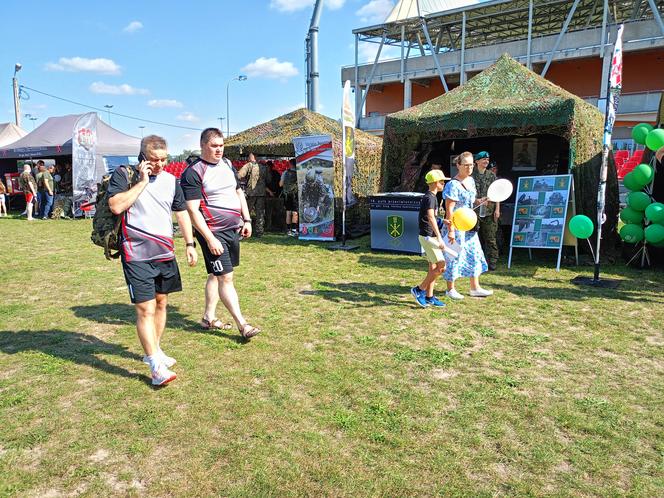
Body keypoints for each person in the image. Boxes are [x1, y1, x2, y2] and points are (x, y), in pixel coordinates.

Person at [107, 135, 198, 386]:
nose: (160, 164)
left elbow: (181, 213)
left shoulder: (171, 180)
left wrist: (189, 244)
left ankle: (155, 351)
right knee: (145, 309)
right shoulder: (124, 176)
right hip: (136, 254)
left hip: (164, 253)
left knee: (161, 304)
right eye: (154, 160)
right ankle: (155, 366)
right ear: (143, 157)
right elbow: (115, 206)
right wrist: (143, 182)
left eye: (164, 159)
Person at [180, 128, 260, 339]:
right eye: (214, 146)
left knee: (216, 275)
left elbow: (238, 192)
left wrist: (247, 219)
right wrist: (209, 238)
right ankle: (243, 325)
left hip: (232, 229)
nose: (218, 150)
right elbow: (192, 209)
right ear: (203, 146)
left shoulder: (227, 164)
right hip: (213, 232)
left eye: (221, 145)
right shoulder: (194, 172)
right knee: (226, 276)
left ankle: (208, 317)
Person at [442, 151, 493, 299]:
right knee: (453, 256)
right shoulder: (452, 185)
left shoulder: (470, 181)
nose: (469, 168)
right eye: (466, 165)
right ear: (458, 165)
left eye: (471, 165)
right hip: (456, 226)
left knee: (475, 253)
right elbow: (449, 210)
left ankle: (475, 287)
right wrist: (451, 230)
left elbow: (471, 201)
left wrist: (480, 200)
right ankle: (450, 289)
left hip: (469, 224)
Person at [411, 169, 450, 308]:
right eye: (441, 181)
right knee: (441, 266)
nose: (444, 183)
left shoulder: (432, 197)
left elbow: (431, 217)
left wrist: (442, 221)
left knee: (433, 266)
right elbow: (430, 217)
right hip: (428, 237)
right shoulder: (430, 198)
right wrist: (439, 238)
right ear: (434, 183)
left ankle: (429, 297)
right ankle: (419, 289)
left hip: (430, 235)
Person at [472, 151, 500, 270]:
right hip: (474, 212)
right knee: (473, 237)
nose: (486, 161)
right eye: (483, 159)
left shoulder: (491, 175)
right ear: (477, 161)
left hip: (489, 211)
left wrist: (497, 210)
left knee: (491, 238)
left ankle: (492, 262)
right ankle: (474, 261)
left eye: (487, 159)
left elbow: (498, 193)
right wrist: (476, 200)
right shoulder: (470, 176)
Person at [237, 153, 274, 237]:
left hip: (251, 193)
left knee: (246, 212)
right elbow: (269, 180)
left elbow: (239, 175)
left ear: (250, 158)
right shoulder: (264, 167)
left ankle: (243, 230)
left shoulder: (248, 165)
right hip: (261, 193)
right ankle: (259, 232)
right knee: (260, 213)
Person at [279, 158, 299, 236]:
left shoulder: (285, 172)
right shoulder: (298, 173)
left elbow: (280, 184)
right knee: (295, 212)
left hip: (286, 195)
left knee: (288, 212)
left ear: (290, 164)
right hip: (295, 194)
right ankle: (294, 230)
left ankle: (288, 230)